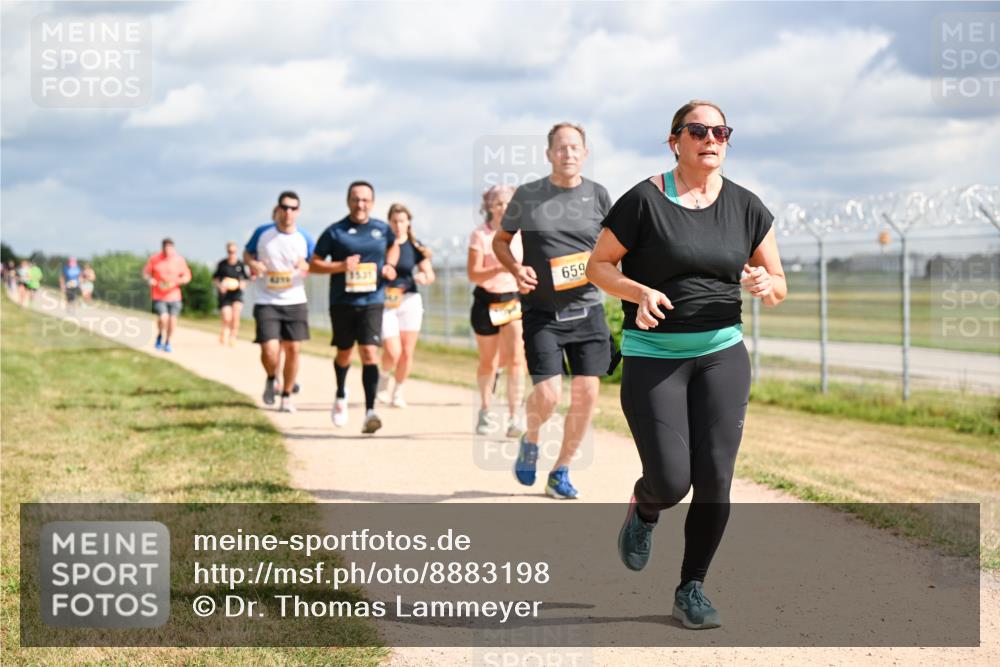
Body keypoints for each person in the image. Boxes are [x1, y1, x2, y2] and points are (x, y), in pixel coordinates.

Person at [586, 100, 787, 630]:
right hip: (655, 358)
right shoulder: (644, 201)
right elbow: (597, 266)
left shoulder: (747, 206)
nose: (711, 139)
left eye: (721, 131)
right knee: (673, 481)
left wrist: (765, 283)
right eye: (698, 130)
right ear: (675, 140)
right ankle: (646, 505)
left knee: (716, 479)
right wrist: (637, 291)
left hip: (721, 354)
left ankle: (691, 587)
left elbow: (779, 285)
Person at [492, 123, 612, 500]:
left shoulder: (598, 195)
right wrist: (516, 269)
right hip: (542, 312)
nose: (568, 154)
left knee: (587, 394)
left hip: (588, 310)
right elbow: (501, 241)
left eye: (575, 147)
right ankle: (531, 438)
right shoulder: (528, 195)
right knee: (547, 395)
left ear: (585, 153)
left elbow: (616, 245)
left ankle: (561, 470)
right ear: (549, 154)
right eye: (561, 148)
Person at [310, 181, 399, 434]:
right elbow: (314, 264)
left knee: (370, 353)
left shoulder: (382, 229)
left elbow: (393, 246)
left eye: (365, 200)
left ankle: (370, 411)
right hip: (343, 302)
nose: (361, 204)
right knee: (345, 353)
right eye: (356, 199)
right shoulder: (335, 232)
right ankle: (340, 393)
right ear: (348, 201)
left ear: (372, 202)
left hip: (373, 300)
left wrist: (389, 265)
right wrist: (340, 266)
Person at [244, 191, 314, 413]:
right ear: (278, 209)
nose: (288, 212)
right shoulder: (263, 233)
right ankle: (272, 377)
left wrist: (306, 266)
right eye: (285, 207)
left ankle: (286, 396)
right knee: (270, 350)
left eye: (293, 208)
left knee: (293, 349)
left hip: (295, 300)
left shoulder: (305, 237)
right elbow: (247, 254)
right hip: (267, 300)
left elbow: (315, 263)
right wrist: (253, 264)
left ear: (298, 211)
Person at [467, 185, 527, 438]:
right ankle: (485, 409)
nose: (503, 208)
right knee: (488, 362)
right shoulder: (480, 235)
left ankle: (514, 417)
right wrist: (500, 267)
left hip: (512, 300)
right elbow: (473, 274)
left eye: (508, 203)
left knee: (516, 359)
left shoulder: (521, 234)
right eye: (498, 203)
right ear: (489, 206)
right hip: (486, 301)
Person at [376, 203, 435, 408]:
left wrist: (424, 277)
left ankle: (398, 392)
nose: (398, 225)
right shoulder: (382, 245)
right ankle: (383, 378)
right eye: (394, 221)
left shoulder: (415, 246)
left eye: (402, 221)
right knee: (393, 351)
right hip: (387, 302)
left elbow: (429, 274)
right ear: (389, 222)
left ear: (408, 222)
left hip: (410, 300)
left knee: (407, 352)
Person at [142, 239, 191, 352]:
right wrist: (150, 280)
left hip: (175, 295)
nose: (168, 250)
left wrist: (177, 281)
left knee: (172, 320)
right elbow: (146, 273)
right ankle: (160, 335)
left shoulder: (179, 260)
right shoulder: (154, 259)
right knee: (163, 318)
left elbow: (187, 276)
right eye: (165, 248)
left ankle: (168, 342)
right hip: (159, 295)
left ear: (173, 248)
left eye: (170, 248)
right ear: (162, 248)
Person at [213, 242, 250, 346]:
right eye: (230, 251)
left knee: (236, 316)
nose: (231, 254)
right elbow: (215, 278)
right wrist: (220, 286)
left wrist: (243, 284)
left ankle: (233, 336)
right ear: (227, 251)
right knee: (227, 317)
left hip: (237, 294)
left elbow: (246, 279)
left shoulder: (240, 265)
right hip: (225, 295)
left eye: (233, 252)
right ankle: (225, 331)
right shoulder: (222, 264)